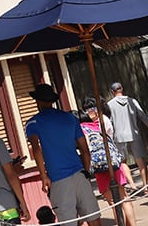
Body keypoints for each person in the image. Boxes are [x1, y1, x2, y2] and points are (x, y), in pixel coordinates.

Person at [24, 84, 100, 226]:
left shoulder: (33, 123)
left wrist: (43, 176)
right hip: (79, 173)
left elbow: (36, 150)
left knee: (68, 222)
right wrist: (86, 171)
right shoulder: (70, 118)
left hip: (58, 179)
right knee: (93, 218)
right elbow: (85, 150)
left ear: (38, 101)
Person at [81, 98, 137, 226]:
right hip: (113, 162)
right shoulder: (104, 120)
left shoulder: (85, 127)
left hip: (99, 165)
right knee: (124, 198)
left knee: (113, 202)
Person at [107, 82, 148, 192]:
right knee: (140, 160)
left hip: (119, 136)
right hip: (134, 133)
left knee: (123, 161)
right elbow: (142, 115)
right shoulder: (132, 101)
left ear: (112, 92)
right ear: (122, 89)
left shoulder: (110, 105)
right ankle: (145, 186)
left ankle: (132, 184)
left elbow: (109, 122)